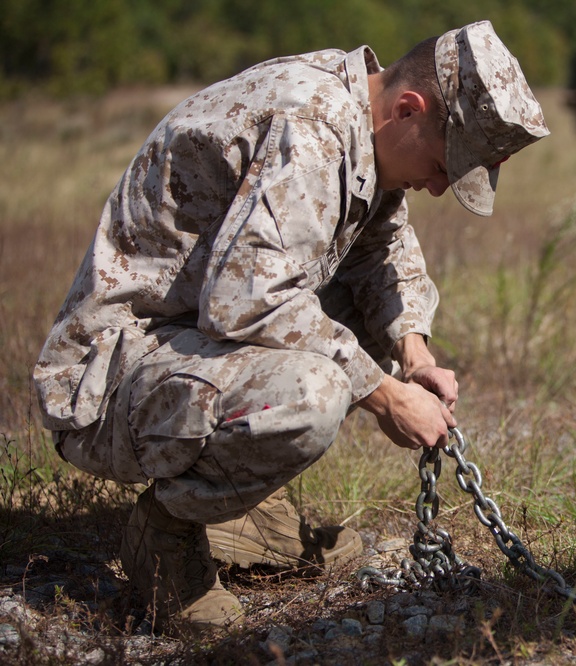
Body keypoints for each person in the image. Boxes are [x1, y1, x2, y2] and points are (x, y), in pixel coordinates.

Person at [32, 20, 549, 631]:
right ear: (410, 109)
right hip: (111, 377)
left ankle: (238, 511)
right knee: (315, 392)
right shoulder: (311, 125)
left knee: (355, 330)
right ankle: (166, 536)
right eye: (441, 165)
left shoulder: (360, 115)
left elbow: (380, 247)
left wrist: (415, 356)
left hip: (192, 343)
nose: (437, 187)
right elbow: (247, 301)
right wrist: (386, 397)